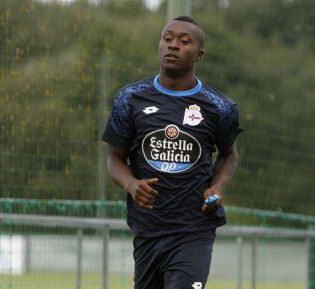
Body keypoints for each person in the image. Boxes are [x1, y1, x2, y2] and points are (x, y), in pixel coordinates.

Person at [102, 15, 243, 289]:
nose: (173, 45)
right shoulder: (129, 99)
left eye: (184, 41)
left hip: (194, 229)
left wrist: (217, 186)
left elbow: (229, 155)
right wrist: (131, 184)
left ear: (199, 54)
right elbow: (114, 159)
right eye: (167, 39)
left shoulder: (220, 107)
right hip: (148, 230)